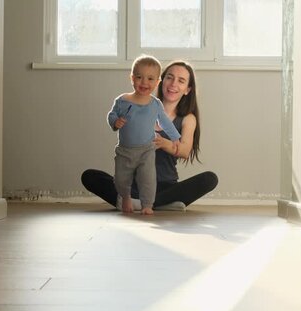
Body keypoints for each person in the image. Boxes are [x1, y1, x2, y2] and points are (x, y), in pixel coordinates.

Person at [82, 60, 218, 211]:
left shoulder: (187, 118)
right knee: (90, 176)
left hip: (165, 186)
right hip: (133, 185)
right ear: (161, 80)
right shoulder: (137, 105)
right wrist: (117, 122)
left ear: (187, 89)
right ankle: (160, 204)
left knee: (209, 179)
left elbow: (185, 151)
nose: (173, 84)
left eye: (181, 81)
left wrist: (164, 143)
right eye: (169, 77)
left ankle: (148, 202)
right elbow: (116, 121)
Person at [108, 55, 181, 215]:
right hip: (125, 151)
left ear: (157, 82)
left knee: (147, 178)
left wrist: (175, 137)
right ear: (132, 78)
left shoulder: (155, 104)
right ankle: (125, 196)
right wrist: (115, 122)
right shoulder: (122, 101)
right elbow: (111, 115)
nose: (144, 83)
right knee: (121, 179)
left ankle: (147, 204)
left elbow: (165, 122)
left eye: (150, 79)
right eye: (139, 77)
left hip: (146, 150)